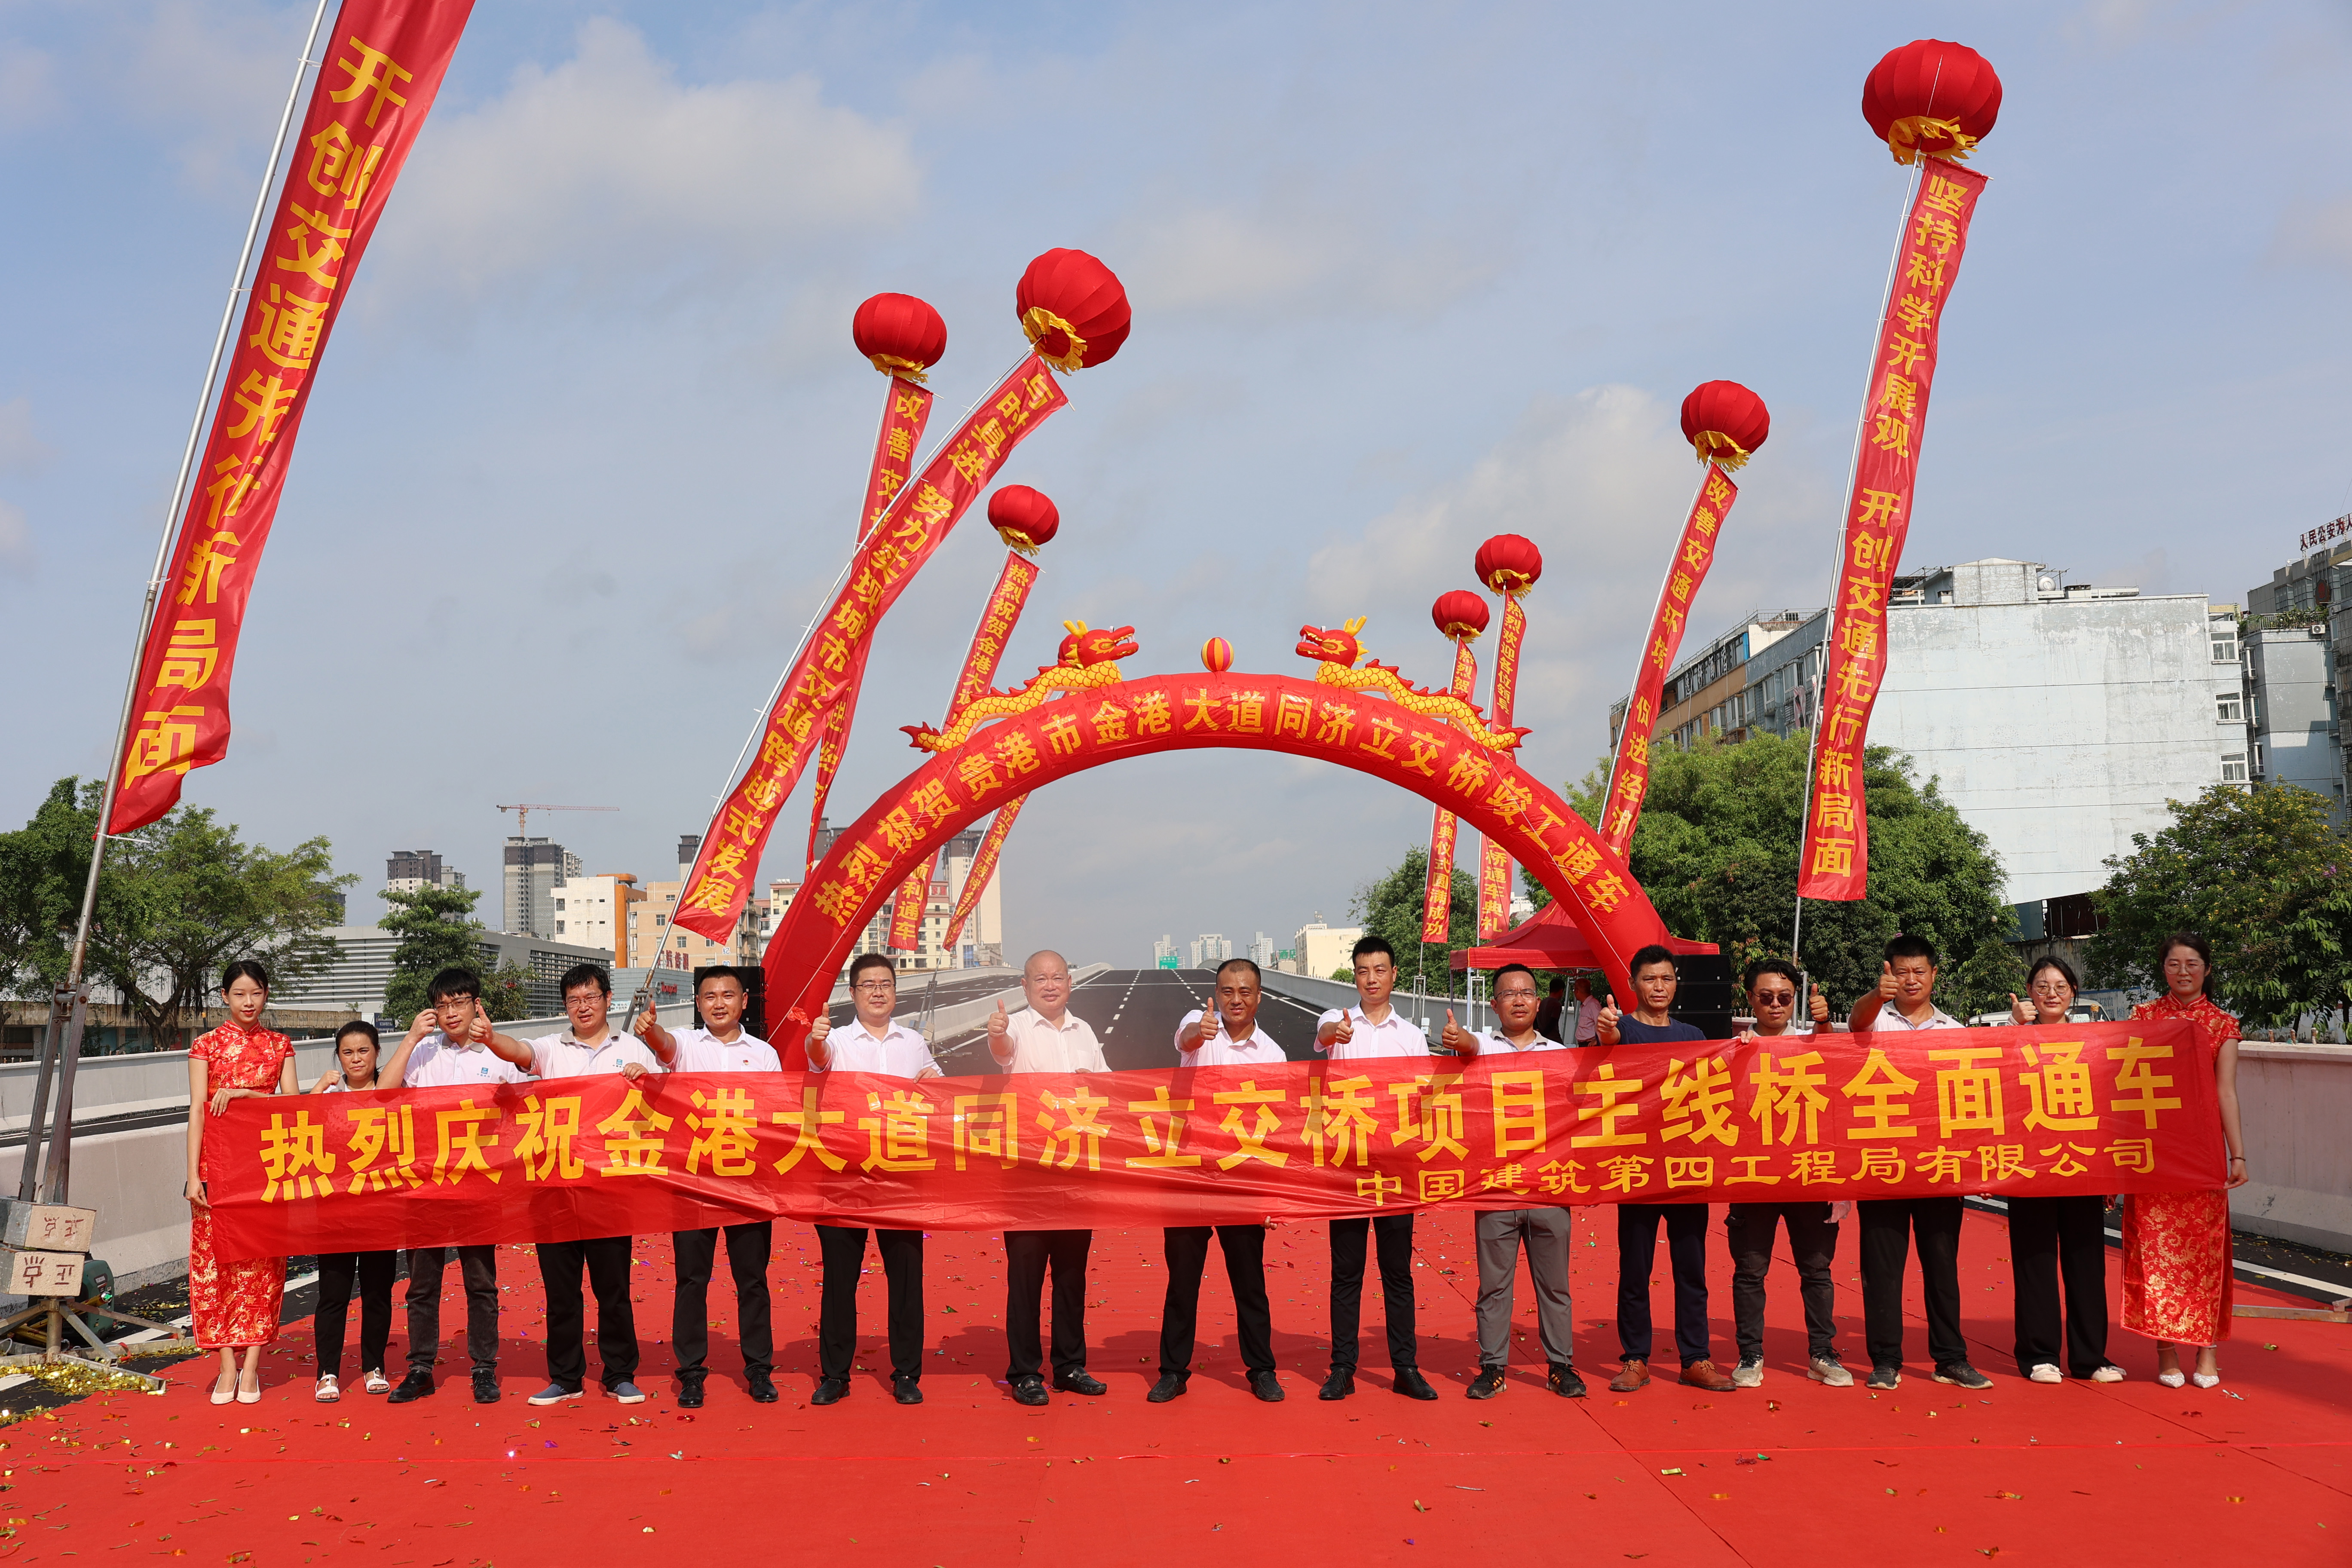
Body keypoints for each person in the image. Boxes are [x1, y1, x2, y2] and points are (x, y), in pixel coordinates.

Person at [380, 967, 534, 1405]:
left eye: (460, 1002)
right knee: (422, 1283)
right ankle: (421, 1368)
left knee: (480, 1282)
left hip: (478, 1185)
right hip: (426, 1185)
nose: (451, 1012)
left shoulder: (499, 1054)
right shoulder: (424, 1052)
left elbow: (531, 1105)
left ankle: (483, 1369)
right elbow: (383, 1096)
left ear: (476, 1005)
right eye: (443, 1004)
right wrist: (409, 1038)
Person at [1845, 934, 1993, 1391]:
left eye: (1919, 972)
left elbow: (1972, 1106)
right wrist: (1876, 995)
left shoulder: (1954, 1031)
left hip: (1940, 1167)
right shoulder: (1876, 1021)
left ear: (1934, 975)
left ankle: (1951, 1358)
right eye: (1902, 972)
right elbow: (1855, 1021)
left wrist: (1979, 1165)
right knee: (1883, 1269)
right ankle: (1886, 1360)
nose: (1911, 980)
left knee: (1942, 1266)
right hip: (1883, 1164)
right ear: (1889, 972)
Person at [631, 966, 783, 1408]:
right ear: (698, 1005)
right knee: (691, 1281)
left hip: (746, 1184)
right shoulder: (685, 1045)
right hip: (692, 1182)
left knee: (752, 1281)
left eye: (728, 995)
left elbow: (775, 1115)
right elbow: (664, 1046)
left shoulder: (765, 1055)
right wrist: (652, 1030)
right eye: (710, 996)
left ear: (744, 1002)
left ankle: (759, 1370)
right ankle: (692, 1372)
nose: (719, 1003)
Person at [515, 962, 666, 1407]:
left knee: (612, 1289)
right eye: (574, 1000)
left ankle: (621, 1373)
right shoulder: (550, 1048)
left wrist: (648, 1077)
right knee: (561, 1292)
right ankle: (566, 1377)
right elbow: (517, 1052)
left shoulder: (632, 1047)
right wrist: (489, 1039)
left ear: (606, 1000)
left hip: (610, 1188)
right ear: (566, 1006)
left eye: (591, 998)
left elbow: (664, 1099)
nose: (583, 1006)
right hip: (555, 1188)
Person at [1439, 963, 1585, 1400]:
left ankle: (1561, 1365)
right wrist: (1457, 1039)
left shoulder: (1560, 1057)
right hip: (1497, 1190)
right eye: (1509, 994)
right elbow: (1465, 1045)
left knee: (1554, 1285)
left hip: (1548, 1189)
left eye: (1526, 993)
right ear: (1494, 1004)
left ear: (1538, 1002)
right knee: (1494, 1287)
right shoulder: (1483, 1047)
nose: (1519, 1000)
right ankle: (1493, 1367)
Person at [1595, 946, 1736, 1393]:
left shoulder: (1693, 1033)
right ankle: (1635, 1359)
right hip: (1637, 1167)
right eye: (1650, 979)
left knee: (1691, 1268)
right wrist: (1606, 1032)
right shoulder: (1625, 1030)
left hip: (1686, 1166)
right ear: (1634, 983)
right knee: (1636, 1268)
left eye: (1667, 979)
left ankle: (1695, 1359)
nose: (1659, 987)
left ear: (1676, 983)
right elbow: (1608, 1046)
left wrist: (1746, 1048)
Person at [803, 954, 942, 1406]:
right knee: (841, 1281)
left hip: (900, 1175)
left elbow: (937, 1088)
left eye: (885, 984)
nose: (878, 991)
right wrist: (815, 1041)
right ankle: (835, 1375)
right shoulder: (838, 1040)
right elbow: (818, 1061)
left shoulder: (914, 1042)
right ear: (853, 993)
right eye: (868, 985)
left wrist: (935, 1084)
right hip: (844, 1174)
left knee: (906, 1278)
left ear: (895, 992)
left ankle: (906, 1373)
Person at [1152, 958, 1286, 1404]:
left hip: (1241, 1179)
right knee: (1182, 1281)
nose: (1235, 1000)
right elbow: (1186, 1037)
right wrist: (1201, 1031)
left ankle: (1261, 1369)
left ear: (1259, 996)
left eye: (1245, 992)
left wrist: (1268, 1197)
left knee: (1249, 1282)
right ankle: (1173, 1370)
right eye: (1227, 991)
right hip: (1189, 1174)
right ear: (1216, 994)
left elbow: (1276, 1129)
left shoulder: (1272, 1054)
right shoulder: (1199, 1025)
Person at [1312, 936, 1438, 1401]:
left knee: (1397, 1272)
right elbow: (1325, 1034)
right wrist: (1335, 1037)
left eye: (1380, 970)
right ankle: (1342, 1367)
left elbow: (1425, 1096)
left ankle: (1405, 1365)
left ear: (1394, 974)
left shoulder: (1410, 1035)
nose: (1371, 979)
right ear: (1355, 976)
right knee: (1347, 1272)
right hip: (1348, 1166)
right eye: (1363, 971)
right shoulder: (1339, 1021)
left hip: (1395, 1167)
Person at [2122, 933, 2249, 1389]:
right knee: (2153, 1253)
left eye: (2192, 964)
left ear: (2207, 969)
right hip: (2154, 1154)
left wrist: (2237, 1153)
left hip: (2201, 1155)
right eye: (2174, 964)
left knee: (2205, 1254)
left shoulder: (2223, 1025)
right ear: (2163, 969)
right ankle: (2166, 1351)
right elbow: (2124, 1089)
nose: (2183, 972)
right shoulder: (2143, 1019)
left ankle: (2208, 1352)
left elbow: (2226, 1093)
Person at [986, 950, 1110, 1405]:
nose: (1050, 985)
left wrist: (1095, 1084)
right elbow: (1003, 1054)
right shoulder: (1016, 1027)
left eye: (1058, 977)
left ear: (1070, 983)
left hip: (1076, 1169)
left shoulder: (1085, 1032)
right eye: (1040, 978)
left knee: (1071, 1275)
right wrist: (996, 1034)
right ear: (1025, 986)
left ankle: (1069, 1365)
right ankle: (1023, 1372)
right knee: (1026, 1275)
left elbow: (1111, 1085)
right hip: (1027, 1171)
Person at [1722, 959, 1846, 1389]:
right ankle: (1750, 1355)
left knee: (1817, 1269)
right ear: (1750, 999)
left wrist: (1842, 1185)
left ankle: (1822, 1354)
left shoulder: (1817, 1046)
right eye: (1766, 997)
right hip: (1753, 1176)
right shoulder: (1733, 1051)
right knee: (1750, 1270)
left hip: (1808, 1174)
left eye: (1784, 998)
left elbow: (1837, 1115)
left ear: (1795, 999)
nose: (1775, 1005)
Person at [2004, 957, 2127, 1385]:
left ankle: (2090, 1357)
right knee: (2034, 1262)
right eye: (2042, 985)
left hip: (2080, 1165)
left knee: (2086, 1263)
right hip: (2029, 1169)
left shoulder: (2093, 1041)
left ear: (2073, 991)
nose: (2051, 992)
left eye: (2060, 985)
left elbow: (2112, 1105)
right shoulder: (2010, 1039)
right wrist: (2016, 1030)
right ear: (2029, 991)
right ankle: (2039, 1354)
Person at [184, 959, 297, 1405]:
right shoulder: (205, 1045)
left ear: (266, 994)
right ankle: (226, 1363)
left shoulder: (280, 1045)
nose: (248, 1003)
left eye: (256, 993)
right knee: (215, 1268)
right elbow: (196, 1110)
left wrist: (249, 1095)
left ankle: (252, 1366)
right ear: (225, 997)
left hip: (268, 1171)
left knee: (264, 1267)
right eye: (239, 995)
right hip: (218, 1171)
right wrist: (193, 1174)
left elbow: (293, 1108)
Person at [309, 1021, 398, 1402]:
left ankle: (373, 1366)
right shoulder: (328, 1093)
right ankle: (327, 1372)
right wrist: (316, 1091)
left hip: (381, 1208)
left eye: (364, 1051)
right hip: (336, 1210)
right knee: (333, 1294)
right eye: (348, 1052)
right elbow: (298, 1127)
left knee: (378, 1293)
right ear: (338, 1057)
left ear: (377, 1052)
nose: (356, 1059)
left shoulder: (394, 1089)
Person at [1534, 977, 1568, 1044]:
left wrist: (1539, 1034)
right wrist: (1544, 1034)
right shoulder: (1557, 1005)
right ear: (1561, 991)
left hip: (1541, 1038)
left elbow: (1535, 1020)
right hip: (1553, 1038)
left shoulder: (1542, 1002)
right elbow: (1552, 1023)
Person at [1574, 977, 1603, 1046]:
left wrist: (1598, 1040)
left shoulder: (1593, 1005)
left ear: (1577, 991)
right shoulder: (1585, 1005)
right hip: (1584, 1044)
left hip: (1590, 1044)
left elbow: (1601, 1024)